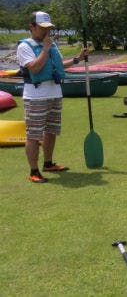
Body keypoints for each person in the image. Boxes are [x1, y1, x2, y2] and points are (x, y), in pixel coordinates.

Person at [17, 11, 88, 183]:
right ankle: (34, 171)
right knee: (34, 134)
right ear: (32, 27)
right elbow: (34, 68)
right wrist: (46, 48)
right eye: (42, 28)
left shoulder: (52, 45)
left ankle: (48, 163)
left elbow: (57, 66)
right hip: (35, 96)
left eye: (48, 28)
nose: (46, 32)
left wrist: (77, 59)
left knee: (51, 131)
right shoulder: (24, 46)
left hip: (54, 93)